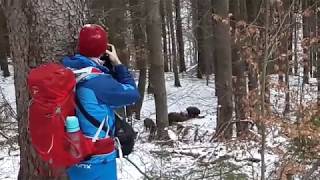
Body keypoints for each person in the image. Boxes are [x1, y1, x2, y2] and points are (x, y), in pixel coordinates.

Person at [63, 24, 140, 180]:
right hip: (98, 157)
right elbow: (132, 94)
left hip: (73, 151)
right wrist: (117, 64)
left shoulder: (67, 70)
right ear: (104, 50)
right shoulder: (98, 82)